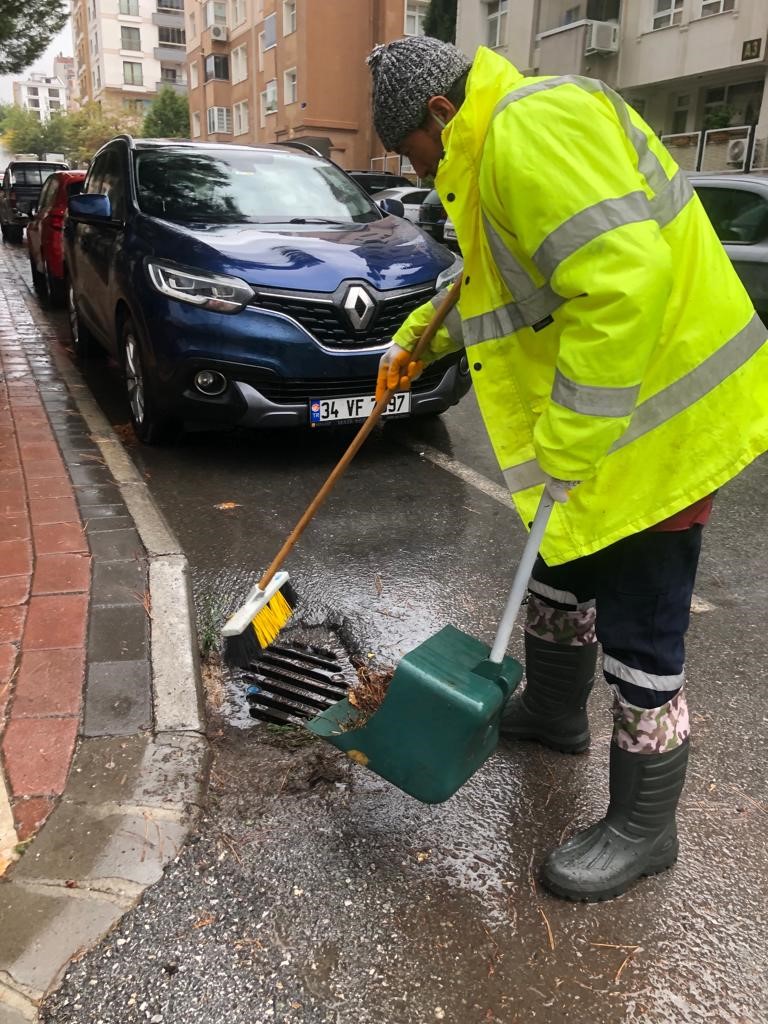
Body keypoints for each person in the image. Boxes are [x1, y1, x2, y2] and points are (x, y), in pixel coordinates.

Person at [367, 36, 768, 902]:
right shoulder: (485, 155)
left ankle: (644, 827)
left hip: (657, 424)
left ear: (440, 112)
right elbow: (496, 277)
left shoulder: (530, 128)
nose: (413, 164)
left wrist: (569, 447)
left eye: (410, 149)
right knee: (557, 574)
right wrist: (408, 343)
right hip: (599, 423)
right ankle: (552, 713)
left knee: (644, 631)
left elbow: (624, 282)